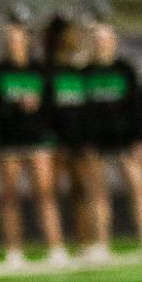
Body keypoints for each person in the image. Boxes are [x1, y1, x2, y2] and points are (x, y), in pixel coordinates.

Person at [0, 8, 66, 267]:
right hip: (10, 140)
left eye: (19, 39)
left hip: (39, 139)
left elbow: (53, 105)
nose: (15, 44)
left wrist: (37, 104)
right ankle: (14, 250)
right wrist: (15, 106)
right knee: (10, 197)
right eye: (11, 40)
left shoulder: (40, 70)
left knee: (45, 194)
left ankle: (55, 247)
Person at [84, 19, 142, 256]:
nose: (102, 44)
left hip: (126, 140)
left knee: (138, 189)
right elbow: (80, 111)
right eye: (98, 40)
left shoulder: (125, 69)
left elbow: (139, 106)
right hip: (96, 141)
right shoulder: (85, 72)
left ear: (113, 42)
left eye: (106, 39)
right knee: (98, 193)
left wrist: (141, 138)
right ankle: (102, 245)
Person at [45, 14, 104, 262]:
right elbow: (48, 108)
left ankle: (89, 242)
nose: (74, 37)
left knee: (84, 190)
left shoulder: (81, 70)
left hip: (81, 139)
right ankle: (57, 246)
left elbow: (88, 108)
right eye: (70, 33)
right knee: (52, 193)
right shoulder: (49, 71)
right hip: (57, 141)